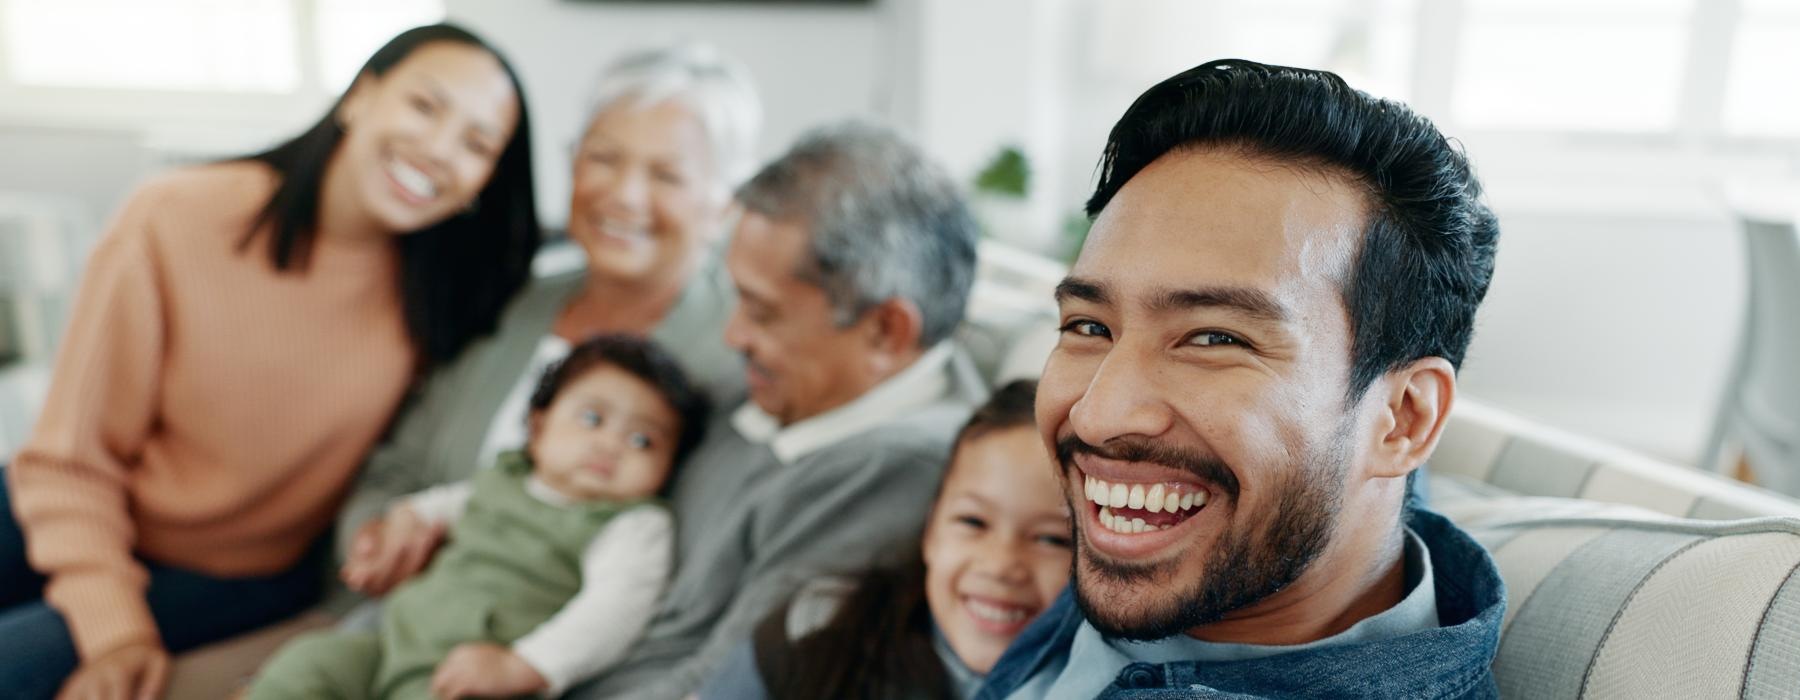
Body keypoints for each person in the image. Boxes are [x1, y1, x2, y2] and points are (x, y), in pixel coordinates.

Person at [0, 23, 539, 700]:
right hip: (66, 509)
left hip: (232, 576)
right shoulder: (174, 215)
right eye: (424, 106)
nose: (437, 149)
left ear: (485, 181)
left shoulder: (453, 303)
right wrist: (113, 626)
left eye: (477, 143)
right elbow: (68, 459)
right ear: (359, 98)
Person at [977, 59, 1507, 699]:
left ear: (1404, 419)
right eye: (1089, 326)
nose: (1098, 414)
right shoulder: (1207, 544)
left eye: (1215, 338)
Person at [566, 121, 985, 700]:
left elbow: (716, 688)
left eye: (762, 313)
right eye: (736, 296)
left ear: (886, 331)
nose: (733, 335)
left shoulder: (891, 474)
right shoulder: (782, 388)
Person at [337, 43, 761, 593]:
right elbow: (399, 468)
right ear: (571, 163)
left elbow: (701, 567)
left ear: (723, 206)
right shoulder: (510, 302)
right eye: (603, 159)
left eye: (667, 176)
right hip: (394, 613)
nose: (625, 196)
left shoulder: (738, 354)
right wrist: (375, 538)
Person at [249, 335, 708, 700]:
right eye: (592, 418)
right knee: (307, 662)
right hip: (391, 640)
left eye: (643, 441)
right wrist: (403, 518)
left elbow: (612, 611)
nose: (610, 445)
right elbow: (444, 504)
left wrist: (525, 665)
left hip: (467, 673)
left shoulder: (631, 525)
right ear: (539, 427)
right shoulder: (505, 479)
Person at [699, 379, 1071, 700]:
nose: (1001, 565)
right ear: (930, 531)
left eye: (1052, 539)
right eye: (972, 522)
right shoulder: (817, 628)